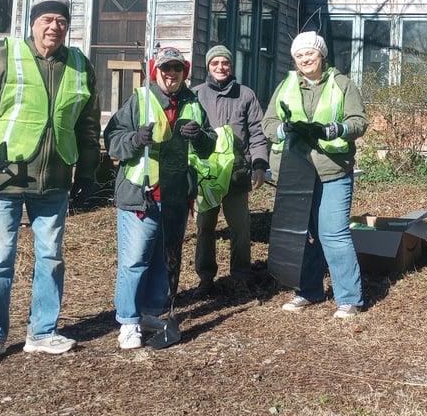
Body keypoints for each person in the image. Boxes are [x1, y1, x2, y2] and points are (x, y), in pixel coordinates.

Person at [0, 0, 101, 364]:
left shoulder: (81, 66)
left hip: (54, 182)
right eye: (47, 20)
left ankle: (42, 332)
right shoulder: (4, 60)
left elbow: (88, 127)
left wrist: (88, 171)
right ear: (33, 23)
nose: (54, 27)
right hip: (4, 179)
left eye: (61, 21)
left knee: (50, 258)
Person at [104, 46, 216, 349]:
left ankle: (151, 312)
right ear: (156, 70)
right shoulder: (139, 100)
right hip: (142, 194)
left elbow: (210, 145)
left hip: (177, 194)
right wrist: (135, 139)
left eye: (177, 69)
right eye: (166, 68)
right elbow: (112, 139)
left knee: (164, 258)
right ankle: (128, 321)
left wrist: (201, 137)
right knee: (135, 259)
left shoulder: (193, 102)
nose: (171, 74)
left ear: (185, 72)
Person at [262, 31, 368, 319]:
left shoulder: (341, 84)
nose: (305, 59)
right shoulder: (285, 85)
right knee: (305, 236)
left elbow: (359, 121)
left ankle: (349, 298)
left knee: (333, 234)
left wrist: (339, 129)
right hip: (295, 172)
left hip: (332, 169)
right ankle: (309, 291)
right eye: (299, 55)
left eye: (310, 53)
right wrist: (282, 129)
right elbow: (268, 122)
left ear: (321, 55)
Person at [191, 44, 268, 299]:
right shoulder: (196, 95)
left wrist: (259, 164)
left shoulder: (245, 95)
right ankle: (205, 277)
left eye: (225, 63)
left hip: (237, 173)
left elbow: (257, 133)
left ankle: (241, 276)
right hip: (207, 176)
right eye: (215, 63)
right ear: (208, 66)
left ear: (231, 67)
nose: (220, 68)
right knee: (205, 228)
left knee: (240, 227)